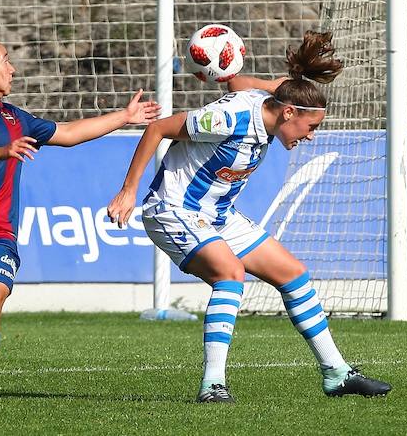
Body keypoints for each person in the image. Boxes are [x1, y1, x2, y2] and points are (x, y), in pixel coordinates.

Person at [107, 30, 392, 403]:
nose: (311, 137)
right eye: (312, 127)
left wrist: (232, 76)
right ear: (288, 113)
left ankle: (337, 373)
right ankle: (213, 385)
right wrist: (128, 190)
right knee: (230, 273)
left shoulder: (275, 102)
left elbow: (251, 82)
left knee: (294, 275)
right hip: (174, 211)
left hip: (219, 216)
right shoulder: (227, 118)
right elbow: (158, 128)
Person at [0, 31, 160, 408]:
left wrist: (126, 117)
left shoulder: (15, 117)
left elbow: (67, 134)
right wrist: (0, 151)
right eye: (5, 60)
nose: (13, 69)